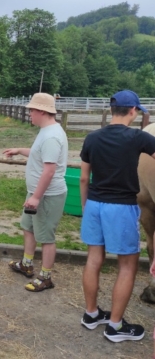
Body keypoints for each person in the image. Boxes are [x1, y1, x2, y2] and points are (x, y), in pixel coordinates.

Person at [79, 90, 155, 342]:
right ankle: (115, 326)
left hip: (94, 204)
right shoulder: (139, 138)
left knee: (93, 259)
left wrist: (85, 208)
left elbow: (83, 178)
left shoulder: (92, 138)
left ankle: (91, 314)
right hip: (120, 207)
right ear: (133, 111)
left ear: (112, 110)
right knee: (127, 264)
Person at [4, 92, 68, 292]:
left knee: (46, 237)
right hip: (36, 193)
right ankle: (27, 264)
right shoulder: (46, 131)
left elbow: (49, 171)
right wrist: (20, 150)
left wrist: (36, 197)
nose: (29, 113)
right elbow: (40, 155)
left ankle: (46, 277)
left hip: (47, 196)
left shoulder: (51, 137)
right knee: (28, 227)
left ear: (42, 111)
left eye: (31, 110)